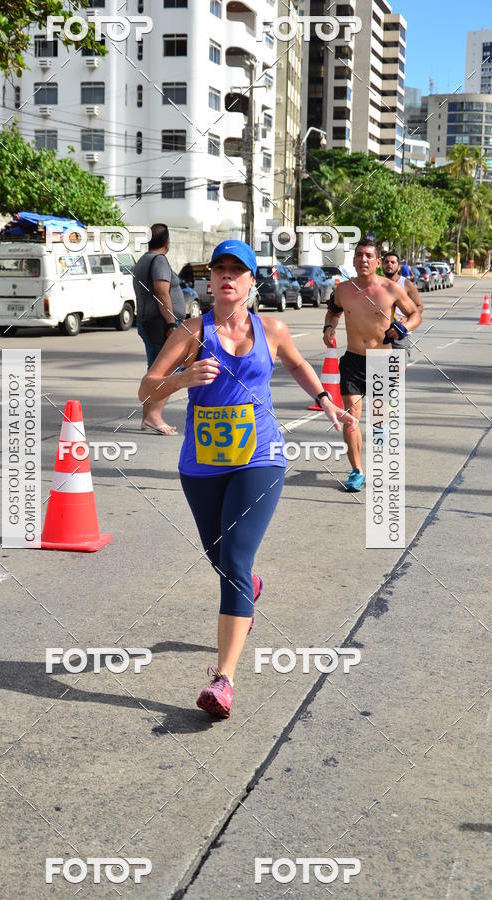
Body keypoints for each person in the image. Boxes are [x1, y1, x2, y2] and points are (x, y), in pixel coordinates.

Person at [138, 240, 358, 718]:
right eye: (219, 269)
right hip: (202, 464)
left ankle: (224, 680)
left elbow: (296, 363)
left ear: (251, 281)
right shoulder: (192, 332)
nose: (226, 276)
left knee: (234, 562)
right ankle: (249, 584)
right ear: (209, 281)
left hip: (261, 457)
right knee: (222, 561)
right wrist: (183, 379)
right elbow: (146, 389)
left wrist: (326, 400)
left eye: (236, 270)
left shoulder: (271, 328)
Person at [323, 240, 422, 493]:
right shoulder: (343, 290)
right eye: (359, 255)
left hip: (382, 361)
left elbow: (415, 315)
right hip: (353, 361)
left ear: (378, 262)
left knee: (380, 418)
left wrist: (403, 327)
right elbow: (333, 312)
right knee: (351, 418)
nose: (363, 259)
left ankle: (381, 427)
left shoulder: (391, 289)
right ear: (353, 260)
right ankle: (357, 471)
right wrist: (329, 327)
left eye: (369, 255)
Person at [133, 223, 186, 434]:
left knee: (155, 371)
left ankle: (147, 418)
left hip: (149, 322)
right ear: (167, 242)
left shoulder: (143, 260)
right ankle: (154, 416)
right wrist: (171, 323)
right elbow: (161, 292)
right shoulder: (159, 260)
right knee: (170, 370)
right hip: (161, 324)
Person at [381, 251, 424, 361]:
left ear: (398, 266)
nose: (389, 264)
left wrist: (406, 319)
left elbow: (419, 306)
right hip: (381, 334)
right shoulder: (378, 283)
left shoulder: (406, 284)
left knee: (397, 369)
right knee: (379, 369)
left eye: (393, 262)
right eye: (386, 262)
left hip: (400, 333)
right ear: (382, 264)